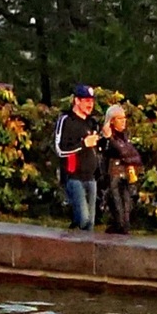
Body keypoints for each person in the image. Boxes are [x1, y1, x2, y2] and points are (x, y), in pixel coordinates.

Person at [51, 84, 102, 231]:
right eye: (86, 101)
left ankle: (80, 246)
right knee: (83, 218)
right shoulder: (66, 121)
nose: (90, 105)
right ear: (77, 101)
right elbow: (60, 150)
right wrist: (83, 144)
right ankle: (72, 234)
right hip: (73, 176)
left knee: (90, 224)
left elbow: (96, 148)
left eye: (91, 101)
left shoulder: (92, 122)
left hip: (91, 177)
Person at [98, 99, 143, 236]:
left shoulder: (124, 137)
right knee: (118, 209)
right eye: (120, 119)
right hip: (113, 175)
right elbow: (120, 151)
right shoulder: (107, 138)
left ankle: (122, 229)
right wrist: (109, 138)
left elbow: (132, 154)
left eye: (124, 118)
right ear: (112, 121)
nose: (124, 122)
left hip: (126, 174)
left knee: (126, 209)